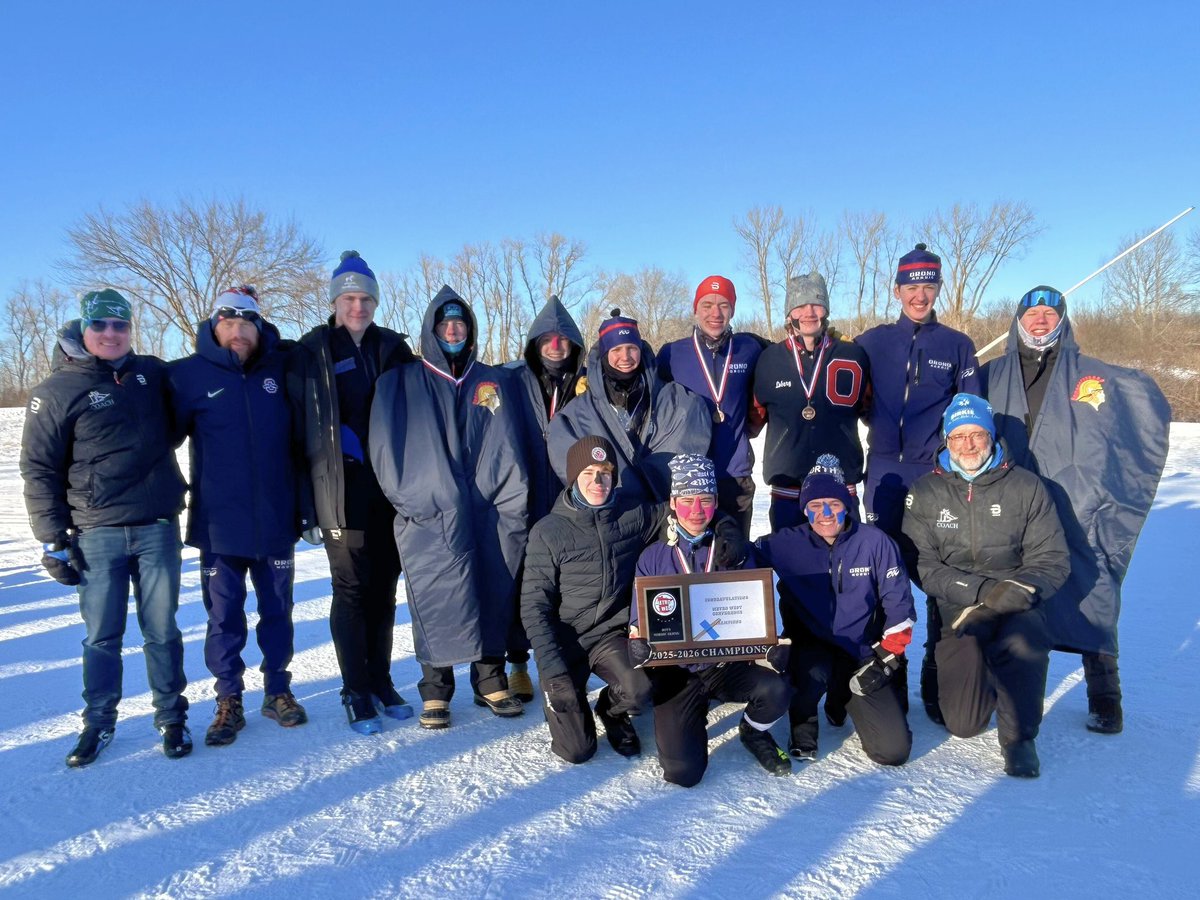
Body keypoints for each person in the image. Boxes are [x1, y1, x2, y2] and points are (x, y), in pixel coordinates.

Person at [982, 286, 1170, 734]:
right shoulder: (990, 374)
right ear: (1018, 321)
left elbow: (1141, 407)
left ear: (1063, 320)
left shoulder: (1093, 376)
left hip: (1076, 499)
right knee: (1006, 581)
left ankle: (1104, 692)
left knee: (1094, 580)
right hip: (1010, 497)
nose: (1041, 321)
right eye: (1033, 314)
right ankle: (1000, 684)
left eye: (1050, 313)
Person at [20, 289, 191, 765]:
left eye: (120, 326)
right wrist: (52, 539)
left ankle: (171, 717)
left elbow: (198, 385)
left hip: (156, 525)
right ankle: (98, 722)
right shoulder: (55, 392)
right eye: (101, 326)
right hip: (96, 532)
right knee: (102, 636)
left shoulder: (151, 374)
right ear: (84, 328)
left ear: (130, 329)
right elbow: (38, 468)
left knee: (162, 630)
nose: (111, 334)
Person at [370, 287, 529, 729]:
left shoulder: (490, 382)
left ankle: (490, 679)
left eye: (461, 323)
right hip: (432, 509)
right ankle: (436, 688)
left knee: (493, 590)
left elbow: (508, 446)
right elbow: (387, 453)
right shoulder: (402, 383)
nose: (454, 329)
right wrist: (426, 500)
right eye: (445, 323)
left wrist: (509, 500)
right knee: (436, 593)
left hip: (490, 508)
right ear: (432, 330)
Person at [902, 394, 1069, 777]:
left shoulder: (1026, 487)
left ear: (991, 436)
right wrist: (979, 593)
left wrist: (1016, 591)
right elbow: (922, 563)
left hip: (1016, 601)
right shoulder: (925, 491)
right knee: (964, 724)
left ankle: (1020, 738)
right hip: (960, 606)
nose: (968, 445)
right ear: (946, 441)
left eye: (976, 434)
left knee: (1024, 642)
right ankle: (976, 674)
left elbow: (1052, 558)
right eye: (958, 436)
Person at [169, 286, 307, 746]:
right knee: (224, 617)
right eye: (228, 324)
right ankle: (228, 698)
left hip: (274, 520)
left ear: (259, 327)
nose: (238, 332)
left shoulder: (281, 367)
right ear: (214, 327)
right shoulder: (187, 376)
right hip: (218, 525)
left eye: (246, 323)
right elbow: (152, 438)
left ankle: (278, 690)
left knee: (278, 613)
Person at [289, 250, 416, 734]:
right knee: (351, 588)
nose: (357, 306)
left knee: (385, 588)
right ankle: (354, 688)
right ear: (335, 301)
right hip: (340, 487)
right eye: (348, 298)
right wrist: (305, 502)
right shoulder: (313, 349)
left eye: (365, 297)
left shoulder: (393, 348)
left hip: (390, 487)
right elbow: (296, 431)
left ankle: (381, 680)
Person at [855, 243, 981, 725]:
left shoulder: (957, 344)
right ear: (897, 290)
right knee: (880, 574)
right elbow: (847, 392)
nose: (920, 295)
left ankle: (934, 674)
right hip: (884, 470)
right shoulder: (872, 341)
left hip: (934, 474)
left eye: (928, 286)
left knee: (934, 576)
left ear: (938, 290)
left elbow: (972, 415)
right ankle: (886, 676)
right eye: (912, 286)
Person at [629, 454, 791, 785]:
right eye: (687, 501)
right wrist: (639, 643)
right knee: (683, 773)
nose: (697, 510)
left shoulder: (735, 549)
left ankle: (753, 730)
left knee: (777, 689)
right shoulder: (654, 557)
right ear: (673, 503)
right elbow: (640, 618)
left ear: (716, 501)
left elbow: (760, 611)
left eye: (705, 500)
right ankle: (688, 716)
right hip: (678, 672)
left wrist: (771, 647)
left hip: (725, 666)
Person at [752, 455, 913, 766]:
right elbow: (742, 561)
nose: (825, 514)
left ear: (846, 504)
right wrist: (729, 534)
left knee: (892, 751)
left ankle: (841, 700)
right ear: (804, 509)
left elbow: (900, 604)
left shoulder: (875, 542)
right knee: (811, 670)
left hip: (862, 652)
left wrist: (888, 656)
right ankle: (803, 723)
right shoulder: (787, 543)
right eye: (814, 506)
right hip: (811, 649)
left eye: (834, 504)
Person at [521, 436, 665, 763]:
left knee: (639, 689)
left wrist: (725, 527)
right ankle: (568, 701)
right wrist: (552, 670)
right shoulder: (548, 531)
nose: (597, 481)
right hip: (564, 641)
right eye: (588, 473)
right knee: (577, 750)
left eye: (605, 472)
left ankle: (609, 709)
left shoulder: (631, 514)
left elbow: (683, 513)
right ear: (573, 478)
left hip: (607, 636)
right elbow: (533, 607)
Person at [504, 295, 588, 702]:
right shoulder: (511, 380)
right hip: (524, 492)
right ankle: (518, 663)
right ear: (535, 343)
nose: (556, 346)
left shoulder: (586, 383)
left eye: (563, 339)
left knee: (568, 581)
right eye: (547, 339)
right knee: (525, 579)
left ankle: (566, 662)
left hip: (570, 494)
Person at [548, 309, 710, 504]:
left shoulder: (676, 400)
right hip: (611, 514)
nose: (625, 357)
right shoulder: (578, 413)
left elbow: (692, 433)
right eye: (616, 350)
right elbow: (563, 447)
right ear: (604, 354)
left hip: (664, 512)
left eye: (631, 348)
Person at [753, 274, 869, 531]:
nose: (808, 312)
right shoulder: (769, 359)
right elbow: (754, 418)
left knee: (844, 562)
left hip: (840, 487)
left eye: (816, 304)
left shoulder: (853, 355)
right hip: (788, 488)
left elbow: (870, 409)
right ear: (789, 313)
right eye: (800, 305)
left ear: (826, 309)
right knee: (790, 563)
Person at [657, 276, 769, 535]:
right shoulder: (671, 354)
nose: (715, 313)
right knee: (691, 560)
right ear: (695, 309)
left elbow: (787, 357)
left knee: (735, 558)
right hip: (687, 479)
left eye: (724, 305)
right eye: (707, 305)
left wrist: (831, 342)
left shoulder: (749, 348)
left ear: (733, 310)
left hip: (734, 473)